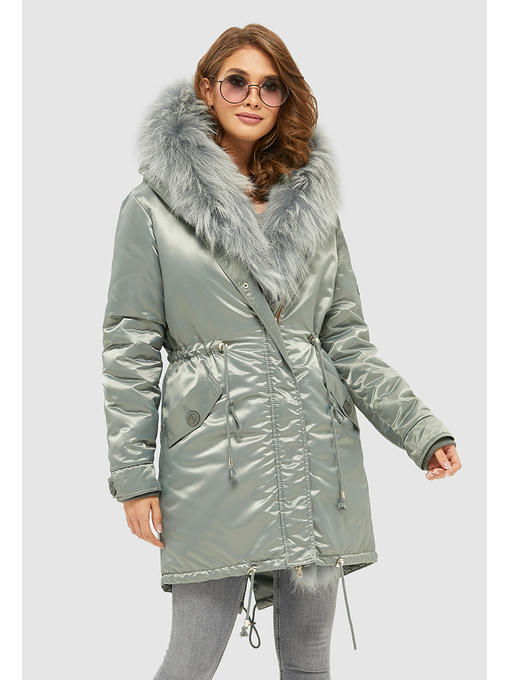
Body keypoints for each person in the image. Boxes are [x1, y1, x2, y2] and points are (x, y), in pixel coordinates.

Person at [101, 23, 461, 680]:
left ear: (285, 97)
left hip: (313, 451)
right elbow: (130, 347)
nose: (252, 97)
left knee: (308, 661)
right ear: (206, 87)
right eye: (236, 81)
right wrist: (134, 476)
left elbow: (347, 341)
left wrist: (420, 431)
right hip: (213, 457)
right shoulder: (151, 209)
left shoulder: (314, 206)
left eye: (270, 86)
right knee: (191, 658)